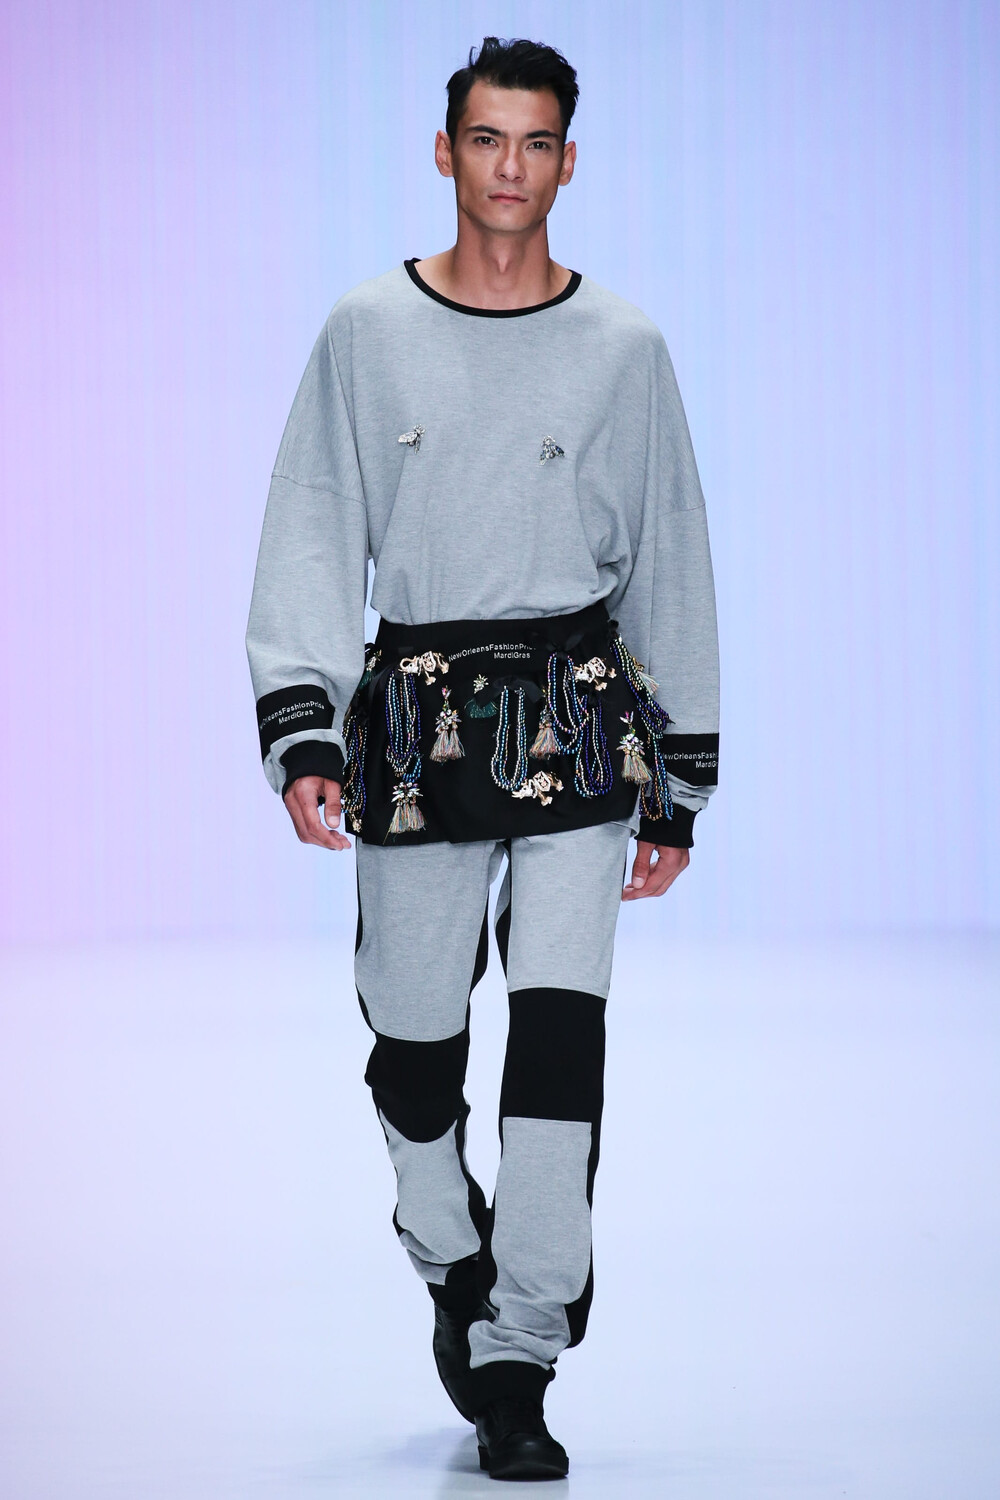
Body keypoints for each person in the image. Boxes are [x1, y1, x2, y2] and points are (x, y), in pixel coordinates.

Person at [246, 36, 719, 1483]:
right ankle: (448, 1240)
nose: (510, 167)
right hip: (415, 724)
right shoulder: (366, 330)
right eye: (487, 139)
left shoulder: (624, 348)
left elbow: (672, 552)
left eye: (537, 142)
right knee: (411, 1045)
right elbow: (315, 522)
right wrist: (304, 720)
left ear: (569, 162)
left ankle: (519, 1351)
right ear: (444, 152)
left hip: (580, 719)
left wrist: (680, 775)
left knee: (561, 1047)